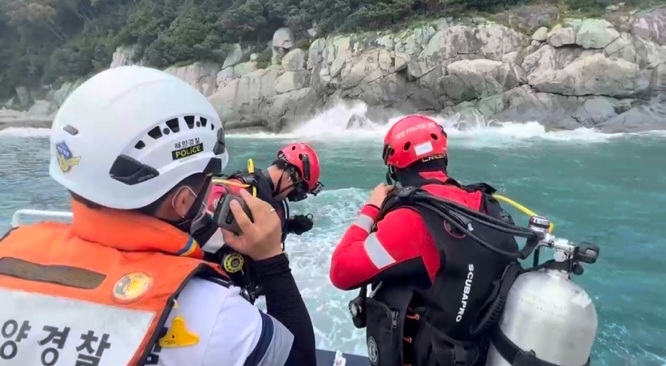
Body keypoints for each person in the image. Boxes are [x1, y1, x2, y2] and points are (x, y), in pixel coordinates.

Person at [0, 66, 315, 366]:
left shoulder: (9, 252)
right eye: (210, 181)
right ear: (182, 201)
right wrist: (272, 260)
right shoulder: (216, 316)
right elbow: (300, 358)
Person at [329, 115, 520, 366]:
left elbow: (341, 271)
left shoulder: (412, 220)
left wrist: (372, 207)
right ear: (443, 157)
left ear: (393, 169)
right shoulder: (488, 207)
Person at [207, 143, 324, 245]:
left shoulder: (270, 196)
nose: (290, 196)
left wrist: (290, 225)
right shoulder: (240, 189)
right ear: (291, 177)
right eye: (296, 192)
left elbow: (262, 228)